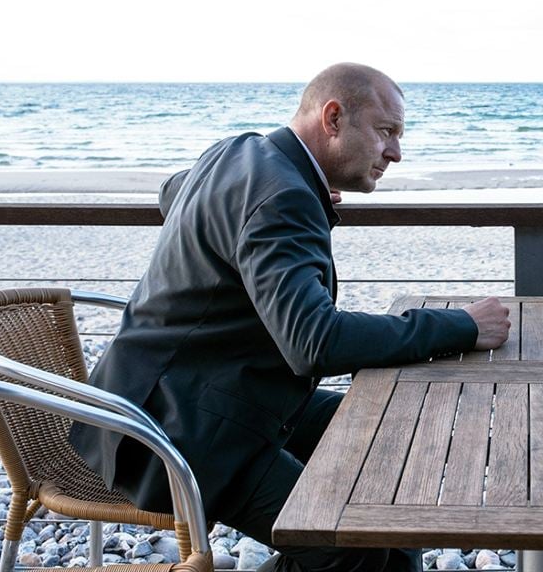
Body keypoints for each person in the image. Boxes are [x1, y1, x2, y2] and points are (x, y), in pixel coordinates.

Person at [71, 63, 511, 572]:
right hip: (178, 433)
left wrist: (301, 195)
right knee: (344, 548)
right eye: (386, 132)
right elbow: (315, 344)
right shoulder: (284, 196)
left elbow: (173, 193)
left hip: (196, 394)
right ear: (333, 118)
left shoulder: (239, 151)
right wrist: (462, 326)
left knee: (393, 445)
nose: (395, 152)